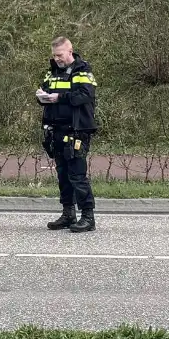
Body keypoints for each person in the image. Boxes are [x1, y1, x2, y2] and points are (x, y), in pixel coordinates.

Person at [36, 36, 98, 232]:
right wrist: (42, 96)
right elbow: (44, 90)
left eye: (60, 55)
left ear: (69, 52)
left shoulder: (82, 70)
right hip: (56, 130)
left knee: (77, 175)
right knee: (62, 174)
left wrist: (59, 98)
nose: (57, 59)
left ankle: (88, 217)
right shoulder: (53, 71)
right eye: (54, 55)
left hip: (76, 131)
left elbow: (85, 95)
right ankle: (68, 213)